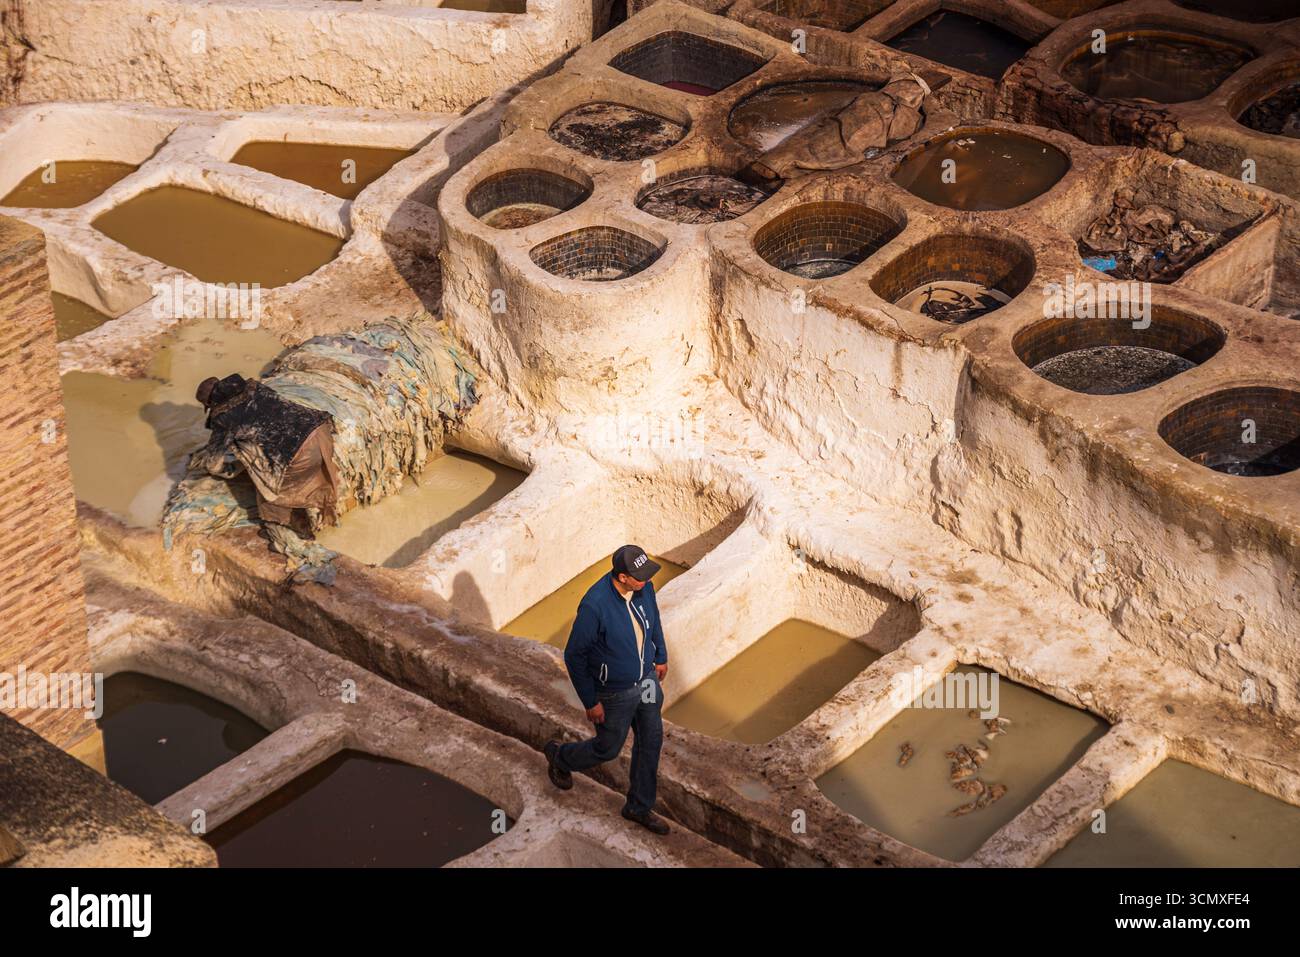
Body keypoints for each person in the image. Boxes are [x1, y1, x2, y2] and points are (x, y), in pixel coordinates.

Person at [544, 545, 671, 835]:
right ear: (623, 577)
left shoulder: (644, 589)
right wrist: (590, 701)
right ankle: (560, 756)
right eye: (639, 577)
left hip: (647, 681)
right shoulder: (595, 606)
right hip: (614, 692)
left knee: (651, 741)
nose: (646, 581)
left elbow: (654, 620)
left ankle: (638, 807)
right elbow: (574, 655)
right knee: (608, 748)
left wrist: (660, 655)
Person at [193, 373, 341, 536]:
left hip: (301, 453)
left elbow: (213, 464)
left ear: (210, 403)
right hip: (321, 432)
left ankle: (294, 529)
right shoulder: (254, 387)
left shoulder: (222, 416)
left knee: (269, 492)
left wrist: (230, 468)